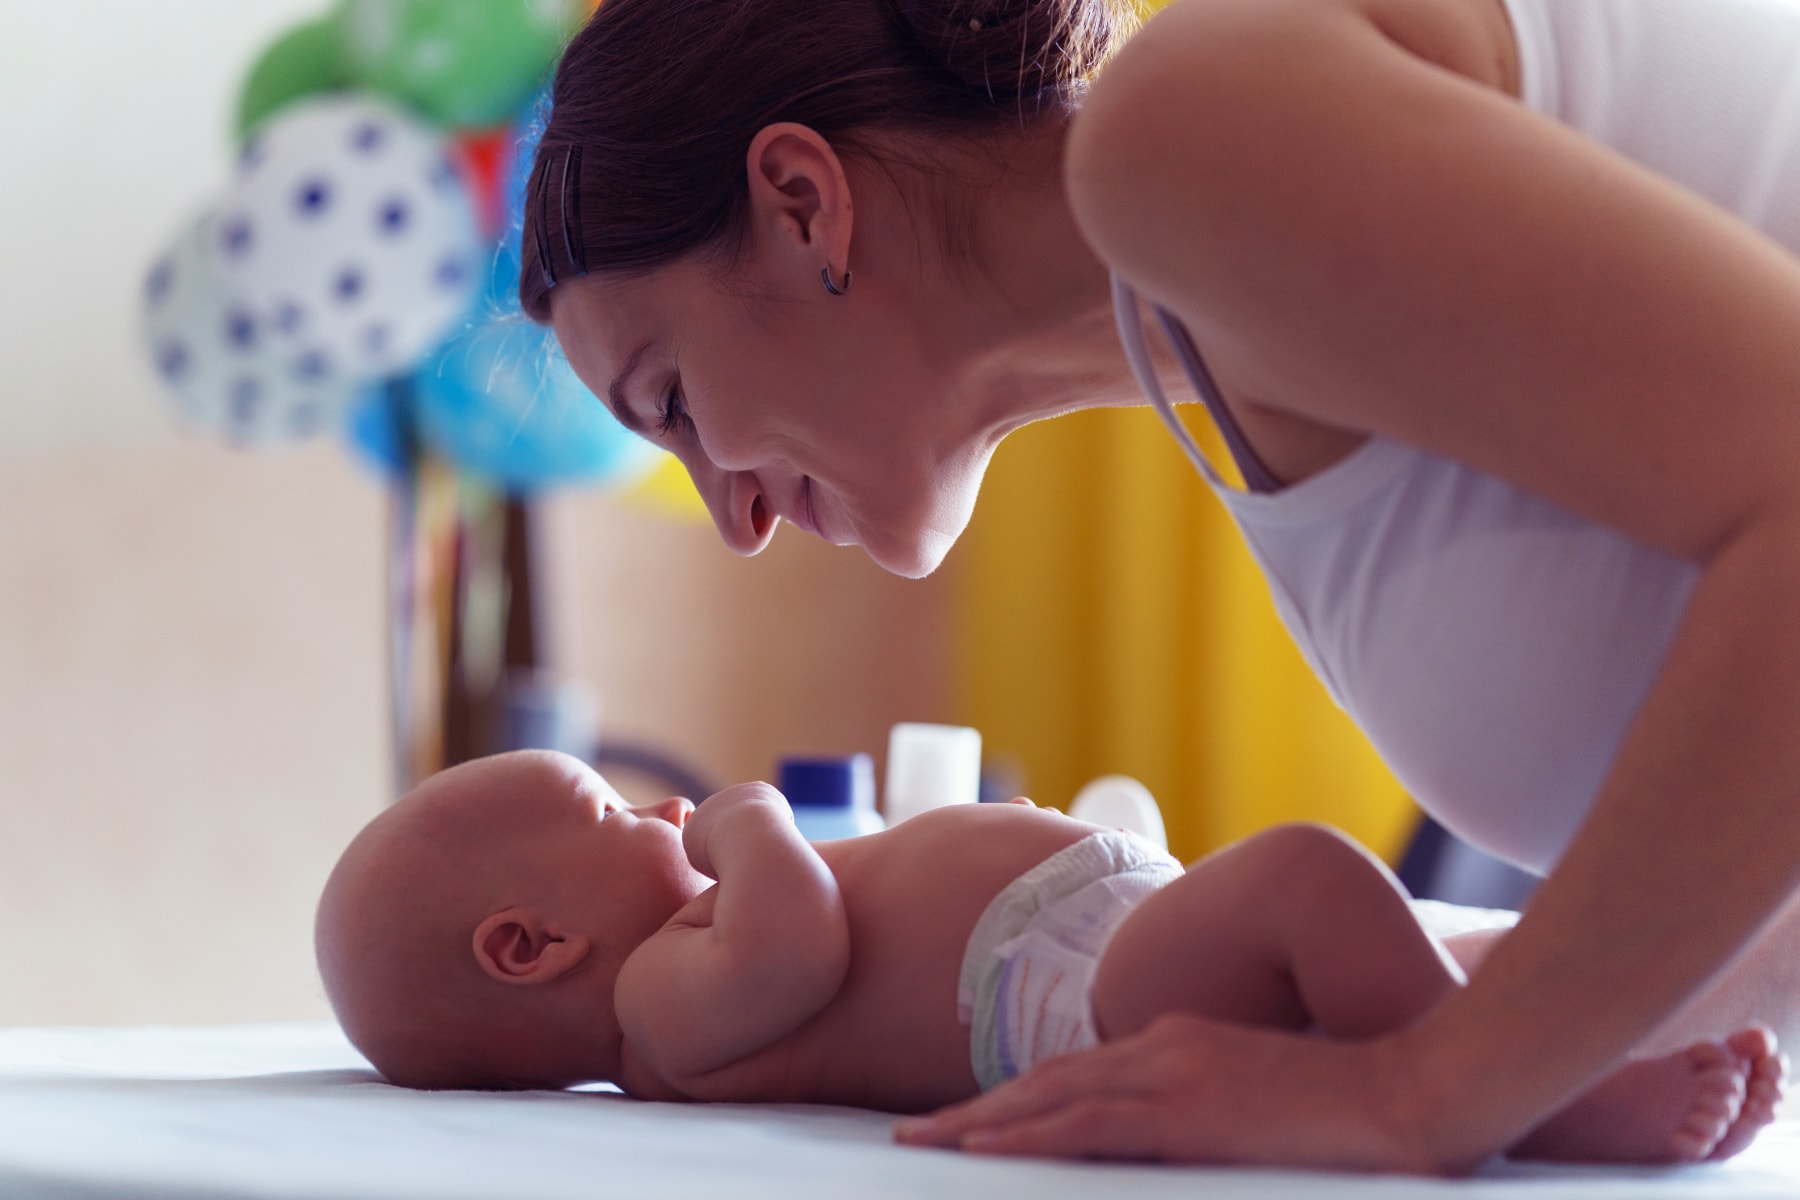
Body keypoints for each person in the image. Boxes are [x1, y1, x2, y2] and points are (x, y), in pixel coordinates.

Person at [517, 0, 1800, 1174]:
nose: (731, 521)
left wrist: (1424, 1093)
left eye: (674, 402)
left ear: (802, 201)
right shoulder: (1235, 363)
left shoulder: (1198, 134)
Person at [315, 749, 1781, 1167]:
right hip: (1078, 1000)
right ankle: (1541, 1096)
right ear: (529, 945)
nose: (664, 807)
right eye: (610, 808)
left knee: (1347, 933)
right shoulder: (655, 1010)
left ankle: (1516, 1034)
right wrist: (758, 824)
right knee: (1313, 880)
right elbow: (799, 946)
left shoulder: (660, 955)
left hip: (1110, 941)